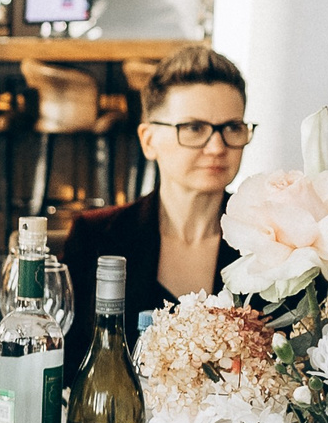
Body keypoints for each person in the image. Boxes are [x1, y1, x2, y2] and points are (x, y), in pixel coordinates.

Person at [60, 45, 250, 357]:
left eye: (232, 127)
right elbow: (69, 365)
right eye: (194, 128)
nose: (217, 146)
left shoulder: (269, 244)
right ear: (149, 141)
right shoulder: (96, 237)